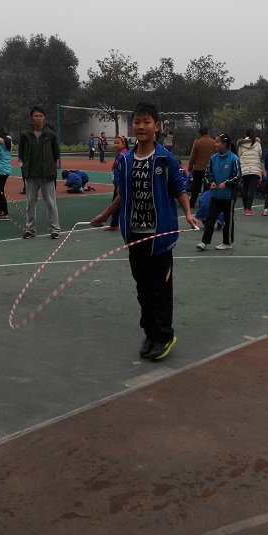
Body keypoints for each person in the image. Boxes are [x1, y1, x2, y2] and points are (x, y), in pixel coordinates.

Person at [90, 103, 198, 361]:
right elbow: (122, 194)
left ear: (156, 126)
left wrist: (187, 213)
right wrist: (105, 214)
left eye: (147, 122)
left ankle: (164, 336)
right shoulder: (125, 160)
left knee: (160, 288)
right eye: (137, 122)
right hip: (134, 234)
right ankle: (150, 334)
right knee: (143, 288)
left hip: (159, 236)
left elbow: (179, 189)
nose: (141, 126)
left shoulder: (165, 158)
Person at [18, 107, 61, 239]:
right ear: (31, 118)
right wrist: (27, 166)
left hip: (47, 174)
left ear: (44, 118)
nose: (39, 118)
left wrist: (48, 164)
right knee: (30, 203)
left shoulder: (50, 135)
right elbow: (22, 153)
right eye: (36, 116)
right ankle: (30, 229)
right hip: (31, 174)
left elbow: (55, 153)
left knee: (51, 203)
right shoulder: (25, 135)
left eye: (41, 116)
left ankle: (54, 229)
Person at [196, 133, 241, 251]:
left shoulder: (234, 159)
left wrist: (226, 183)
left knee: (228, 219)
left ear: (224, 144)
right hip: (215, 194)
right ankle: (204, 242)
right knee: (210, 218)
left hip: (228, 196)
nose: (215, 144)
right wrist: (211, 182)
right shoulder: (213, 158)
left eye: (217, 142)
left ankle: (227, 242)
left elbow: (237, 176)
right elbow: (208, 173)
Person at [187, 127, 216, 208]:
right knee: (208, 185)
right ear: (208, 133)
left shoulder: (197, 142)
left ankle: (192, 202)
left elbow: (193, 156)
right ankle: (206, 201)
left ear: (200, 134)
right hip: (210, 168)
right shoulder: (214, 143)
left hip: (198, 167)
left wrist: (190, 166)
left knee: (196, 186)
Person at [105, 135, 129, 231]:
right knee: (117, 205)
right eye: (114, 143)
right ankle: (115, 224)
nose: (115, 145)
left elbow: (123, 171)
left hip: (121, 186)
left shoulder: (124, 155)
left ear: (124, 144)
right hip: (118, 185)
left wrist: (119, 185)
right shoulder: (120, 154)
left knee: (116, 205)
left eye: (118, 143)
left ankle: (115, 224)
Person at [237, 128, 262, 215]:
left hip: (244, 168)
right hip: (255, 169)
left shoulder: (241, 145)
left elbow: (239, 155)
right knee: (251, 189)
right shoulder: (257, 144)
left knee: (245, 189)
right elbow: (259, 155)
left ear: (245, 134)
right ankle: (249, 209)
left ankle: (245, 209)